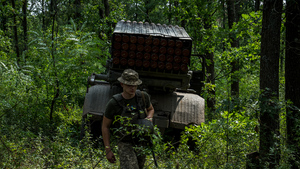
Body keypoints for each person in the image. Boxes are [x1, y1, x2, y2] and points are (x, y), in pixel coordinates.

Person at [102, 69, 155, 169]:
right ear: (122, 84)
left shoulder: (143, 97)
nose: (133, 88)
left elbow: (151, 109)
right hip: (125, 142)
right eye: (129, 85)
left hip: (141, 141)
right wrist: (108, 150)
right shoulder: (114, 103)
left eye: (135, 85)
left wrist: (149, 117)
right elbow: (105, 126)